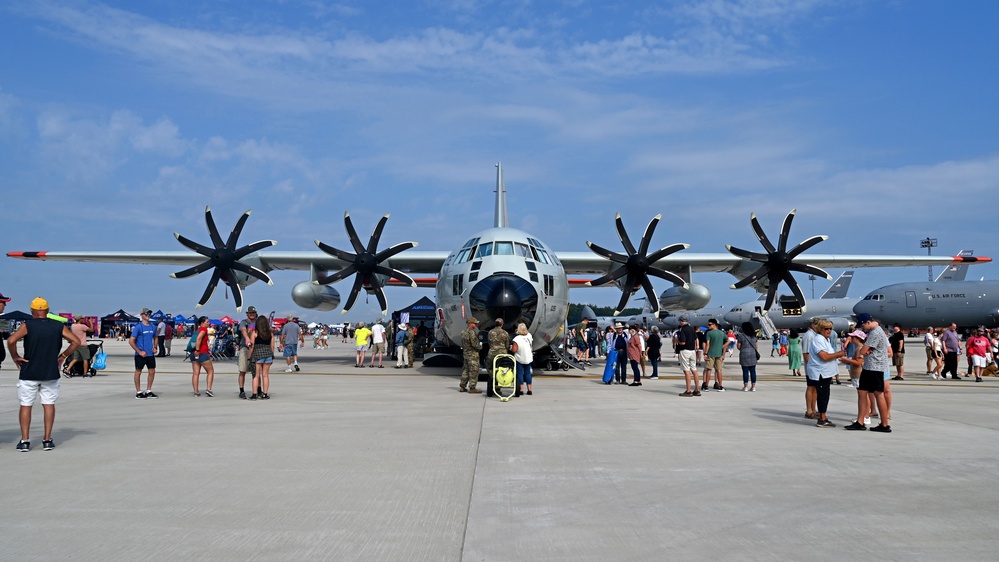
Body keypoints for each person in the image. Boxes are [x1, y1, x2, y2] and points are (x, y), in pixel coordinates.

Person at [6, 297, 81, 452]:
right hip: (50, 371)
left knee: (26, 404)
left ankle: (25, 440)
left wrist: (15, 356)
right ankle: (47, 440)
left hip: (29, 371)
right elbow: (76, 342)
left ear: (32, 311)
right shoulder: (58, 326)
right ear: (47, 311)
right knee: (48, 404)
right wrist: (62, 356)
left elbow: (11, 340)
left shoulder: (27, 325)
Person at [845, 313, 891, 432]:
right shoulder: (875, 331)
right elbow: (866, 349)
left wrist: (865, 351)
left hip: (874, 367)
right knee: (862, 391)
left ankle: (884, 424)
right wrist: (866, 350)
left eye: (863, 326)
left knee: (878, 394)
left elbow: (864, 350)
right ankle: (860, 421)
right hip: (870, 367)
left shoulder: (875, 333)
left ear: (868, 322)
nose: (862, 328)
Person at [805, 319, 846, 427]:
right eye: (826, 329)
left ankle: (823, 416)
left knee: (825, 395)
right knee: (823, 395)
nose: (829, 331)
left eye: (830, 329)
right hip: (820, 372)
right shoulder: (818, 339)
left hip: (825, 373)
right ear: (820, 329)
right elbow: (824, 356)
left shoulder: (825, 339)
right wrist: (839, 354)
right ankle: (822, 418)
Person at [130, 308, 159, 399]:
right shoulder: (138, 327)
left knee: (152, 371)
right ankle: (138, 392)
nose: (148, 315)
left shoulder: (153, 326)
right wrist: (139, 351)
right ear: (142, 315)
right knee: (138, 372)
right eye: (146, 313)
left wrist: (155, 347)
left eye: (150, 313)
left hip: (150, 354)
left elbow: (156, 337)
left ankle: (149, 390)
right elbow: (131, 341)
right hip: (140, 354)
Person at [249, 315, 275, 399]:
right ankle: (265, 394)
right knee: (265, 375)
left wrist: (249, 355)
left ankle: (254, 394)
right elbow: (272, 346)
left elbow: (252, 346)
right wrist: (272, 355)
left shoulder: (255, 333)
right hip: (268, 355)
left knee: (256, 375)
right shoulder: (270, 334)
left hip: (257, 355)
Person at [236, 306, 260, 399]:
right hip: (245, 347)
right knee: (243, 370)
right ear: (247, 314)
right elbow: (243, 330)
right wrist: (247, 339)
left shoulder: (258, 322)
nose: (252, 314)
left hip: (256, 348)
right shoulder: (244, 322)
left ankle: (258, 389)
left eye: (253, 313)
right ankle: (241, 390)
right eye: (250, 313)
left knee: (257, 371)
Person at [676, 316, 701, 396]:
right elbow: (695, 339)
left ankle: (688, 390)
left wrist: (677, 341)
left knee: (686, 370)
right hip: (692, 350)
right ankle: (697, 389)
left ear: (681, 322)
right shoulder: (691, 329)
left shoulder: (683, 329)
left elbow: (683, 342)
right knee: (694, 369)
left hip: (685, 350)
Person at [191, 316, 215, 397]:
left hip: (193, 353)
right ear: (202, 323)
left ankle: (196, 391)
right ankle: (208, 389)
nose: (209, 323)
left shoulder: (197, 330)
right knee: (210, 371)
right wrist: (198, 350)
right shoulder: (203, 329)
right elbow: (199, 339)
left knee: (196, 373)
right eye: (207, 322)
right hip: (202, 353)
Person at [702, 319, 726, 391]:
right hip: (719, 354)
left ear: (714, 325)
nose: (708, 326)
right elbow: (728, 341)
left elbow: (707, 344)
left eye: (709, 325)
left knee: (709, 369)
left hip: (711, 354)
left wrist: (705, 353)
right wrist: (722, 347)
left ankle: (706, 385)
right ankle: (720, 385)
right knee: (719, 370)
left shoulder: (709, 333)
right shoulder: (722, 333)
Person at [460, 318, 482, 394]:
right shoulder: (472, 333)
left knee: (465, 370)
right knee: (474, 371)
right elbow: (474, 344)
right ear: (470, 323)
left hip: (466, 353)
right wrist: (480, 347)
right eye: (475, 324)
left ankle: (462, 386)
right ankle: (472, 387)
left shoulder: (463, 332)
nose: (476, 325)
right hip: (472, 354)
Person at [512, 323, 534, 395]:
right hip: (528, 357)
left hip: (520, 358)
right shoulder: (529, 336)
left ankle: (521, 389)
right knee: (528, 373)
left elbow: (514, 350)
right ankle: (529, 389)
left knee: (520, 373)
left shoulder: (517, 339)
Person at [736, 322, 759, 392]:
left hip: (744, 354)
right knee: (753, 371)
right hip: (752, 354)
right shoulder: (754, 336)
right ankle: (753, 386)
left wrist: (743, 349)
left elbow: (738, 346)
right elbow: (756, 346)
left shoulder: (741, 336)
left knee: (745, 371)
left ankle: (745, 386)